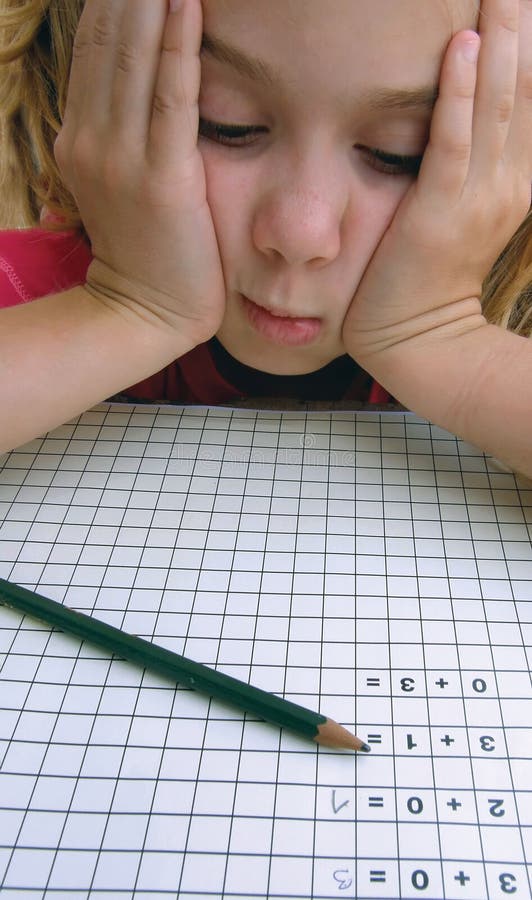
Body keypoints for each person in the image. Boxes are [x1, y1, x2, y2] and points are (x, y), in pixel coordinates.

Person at [0, 0, 531, 476]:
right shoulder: (39, 293)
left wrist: (441, 338)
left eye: (400, 152)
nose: (302, 233)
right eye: (227, 123)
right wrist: (130, 304)